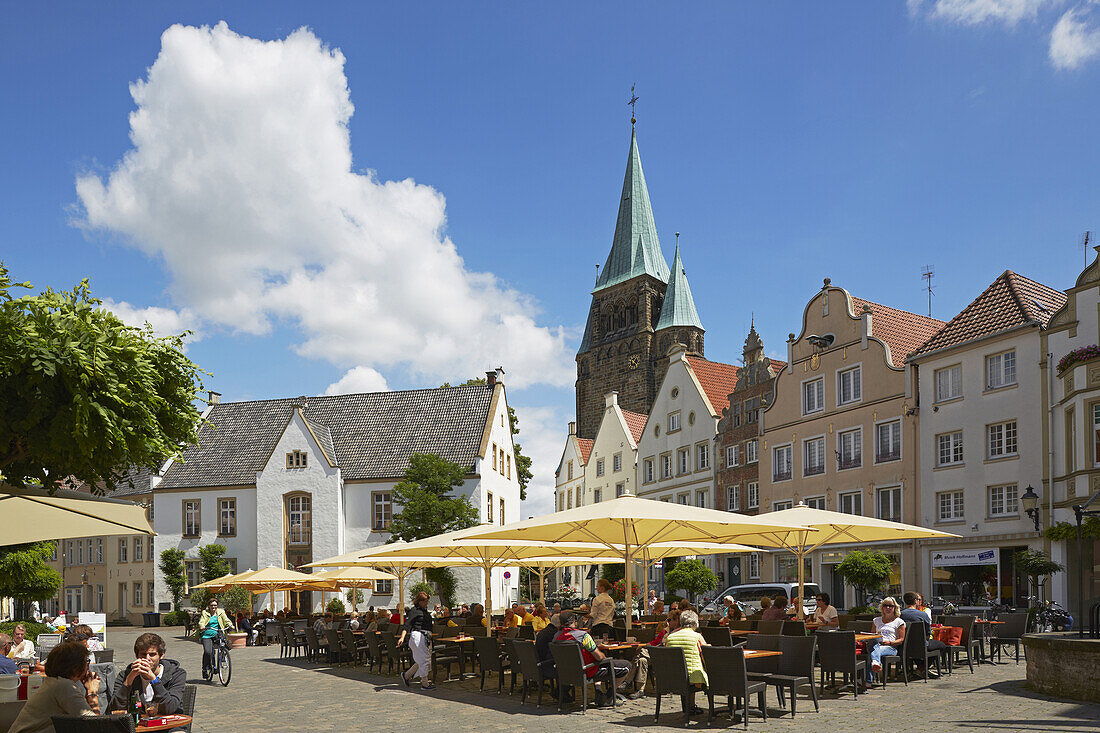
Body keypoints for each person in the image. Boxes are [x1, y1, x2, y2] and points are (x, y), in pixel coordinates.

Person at [9, 642, 100, 733]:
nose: (88, 666)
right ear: (75, 667)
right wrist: (92, 692)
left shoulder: (55, 683)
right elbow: (95, 726)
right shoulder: (64, 686)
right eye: (86, 662)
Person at [553, 610, 631, 707]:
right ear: (574, 621)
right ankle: (609, 696)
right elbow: (598, 657)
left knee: (597, 663)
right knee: (626, 666)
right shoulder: (583, 636)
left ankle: (599, 692)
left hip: (567, 673)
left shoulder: (556, 637)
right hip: (587, 671)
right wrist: (604, 657)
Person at [110, 633, 187, 715]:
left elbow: (169, 708)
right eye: (143, 654)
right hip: (139, 725)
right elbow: (114, 709)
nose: (147, 659)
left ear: (162, 655)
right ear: (137, 656)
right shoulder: (125, 675)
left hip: (169, 725)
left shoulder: (176, 674)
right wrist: (128, 682)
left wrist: (154, 680)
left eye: (152, 654)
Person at [623, 609, 680, 699]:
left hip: (667, 656)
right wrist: (644, 645)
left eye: (669, 620)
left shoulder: (679, 632)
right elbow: (654, 642)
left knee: (640, 652)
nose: (667, 622)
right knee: (642, 660)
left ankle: (628, 680)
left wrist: (642, 647)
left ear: (677, 620)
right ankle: (640, 690)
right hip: (657, 653)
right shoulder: (665, 631)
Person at [663, 610, 709, 714]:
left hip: (672, 676)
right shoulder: (697, 636)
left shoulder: (670, 637)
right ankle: (705, 710)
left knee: (684, 669)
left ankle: (690, 707)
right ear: (695, 624)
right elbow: (706, 655)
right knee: (696, 670)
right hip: (693, 677)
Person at [397, 591, 435, 690]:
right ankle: (425, 684)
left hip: (425, 637)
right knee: (423, 660)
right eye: (425, 601)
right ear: (420, 601)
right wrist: (402, 637)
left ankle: (406, 675)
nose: (427, 603)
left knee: (422, 659)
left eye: (427, 601)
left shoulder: (425, 611)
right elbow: (407, 625)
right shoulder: (414, 611)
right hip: (418, 637)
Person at [868, 597, 906, 686]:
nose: (888, 608)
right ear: (882, 607)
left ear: (895, 608)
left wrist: (889, 642)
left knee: (872, 651)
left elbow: (901, 640)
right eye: (885, 606)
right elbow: (872, 635)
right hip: (877, 644)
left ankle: (868, 680)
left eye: (890, 606)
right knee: (873, 646)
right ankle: (875, 663)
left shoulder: (899, 622)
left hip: (891, 647)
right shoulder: (876, 620)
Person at [196, 598, 235, 678]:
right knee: (208, 652)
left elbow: (226, 620)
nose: (213, 607)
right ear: (209, 606)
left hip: (217, 633)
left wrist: (230, 625)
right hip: (207, 634)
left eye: (215, 605)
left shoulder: (221, 612)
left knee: (224, 645)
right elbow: (202, 621)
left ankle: (222, 657)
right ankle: (205, 669)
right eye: (212, 605)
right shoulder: (205, 612)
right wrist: (202, 626)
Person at [901, 592, 946, 660]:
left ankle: (917, 667)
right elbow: (928, 633)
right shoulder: (923, 615)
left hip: (904, 645)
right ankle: (922, 667)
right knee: (942, 645)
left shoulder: (900, 615)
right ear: (915, 601)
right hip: (921, 644)